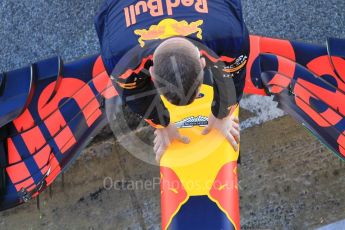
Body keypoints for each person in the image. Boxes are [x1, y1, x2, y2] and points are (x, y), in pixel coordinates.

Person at [95, 0, 250, 162]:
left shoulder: (118, 58)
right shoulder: (231, 35)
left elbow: (135, 94)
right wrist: (222, 114)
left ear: (152, 74)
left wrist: (221, 116)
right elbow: (232, 78)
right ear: (203, 62)